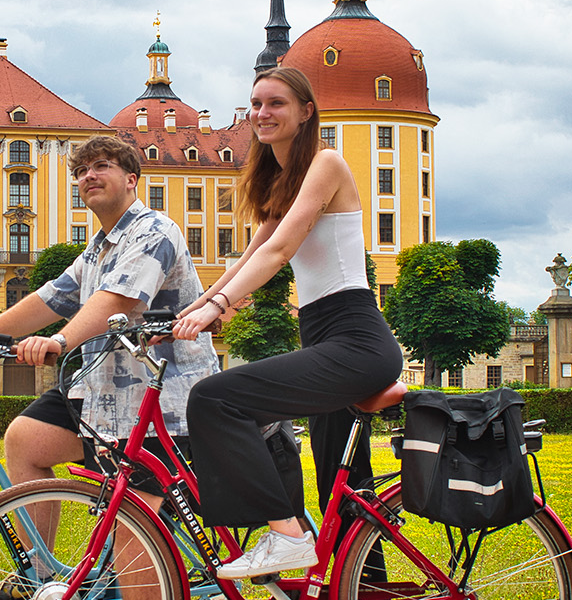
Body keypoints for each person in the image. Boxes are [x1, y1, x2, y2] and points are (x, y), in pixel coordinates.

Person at [0, 135, 219, 593]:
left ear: (132, 179)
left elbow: (113, 303)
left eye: (102, 166)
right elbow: (50, 297)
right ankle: (37, 578)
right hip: (100, 398)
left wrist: (58, 341)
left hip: (159, 409)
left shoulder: (154, 231)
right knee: (25, 440)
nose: (88, 176)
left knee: (135, 562)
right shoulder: (97, 247)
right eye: (80, 171)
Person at [171, 67, 403, 579]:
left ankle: (286, 535)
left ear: (306, 111)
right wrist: (195, 306)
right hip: (323, 333)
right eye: (256, 103)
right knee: (342, 490)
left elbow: (279, 250)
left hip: (355, 337)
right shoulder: (282, 180)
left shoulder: (326, 163)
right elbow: (250, 254)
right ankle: (361, 585)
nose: (262, 113)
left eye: (276, 103)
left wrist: (218, 306)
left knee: (215, 399)